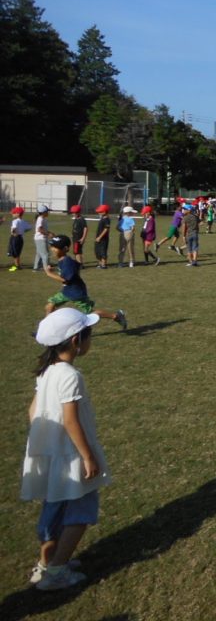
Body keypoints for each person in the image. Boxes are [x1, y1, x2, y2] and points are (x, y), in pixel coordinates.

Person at [22, 308, 112, 591]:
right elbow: (71, 419)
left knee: (54, 509)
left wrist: (45, 442)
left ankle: (46, 563)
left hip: (52, 454)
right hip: (71, 456)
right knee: (80, 513)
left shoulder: (47, 371)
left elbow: (33, 411)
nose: (90, 340)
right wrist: (87, 456)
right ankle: (57, 571)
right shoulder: (71, 375)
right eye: (89, 334)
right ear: (76, 340)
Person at [43, 235, 128, 329]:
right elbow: (74, 267)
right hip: (66, 291)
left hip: (76, 293)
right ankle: (47, 328)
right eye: (52, 247)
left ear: (65, 249)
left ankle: (116, 316)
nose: (52, 249)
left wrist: (49, 273)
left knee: (90, 313)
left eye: (56, 247)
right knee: (49, 306)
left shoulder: (67, 261)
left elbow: (65, 280)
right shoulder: (63, 260)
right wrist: (55, 269)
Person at [8, 205, 30, 271]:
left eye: (14, 213)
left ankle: (17, 266)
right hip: (20, 238)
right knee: (17, 252)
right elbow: (29, 227)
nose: (12, 214)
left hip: (15, 238)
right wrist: (22, 231)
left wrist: (14, 233)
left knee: (15, 253)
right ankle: (17, 265)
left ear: (18, 214)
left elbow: (14, 228)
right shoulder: (23, 221)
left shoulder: (15, 221)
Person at [33, 205, 52, 271]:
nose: (48, 213)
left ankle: (36, 267)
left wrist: (50, 233)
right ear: (43, 212)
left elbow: (43, 229)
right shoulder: (40, 219)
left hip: (40, 238)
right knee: (45, 254)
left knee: (39, 254)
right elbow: (39, 229)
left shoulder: (43, 219)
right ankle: (46, 268)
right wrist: (48, 234)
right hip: (40, 239)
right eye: (47, 212)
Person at [94, 204, 112, 269]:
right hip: (98, 238)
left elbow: (106, 229)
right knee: (97, 251)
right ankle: (100, 264)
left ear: (104, 212)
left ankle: (104, 265)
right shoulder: (102, 218)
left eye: (100, 212)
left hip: (103, 239)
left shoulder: (107, 219)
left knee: (103, 251)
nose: (99, 213)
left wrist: (100, 237)